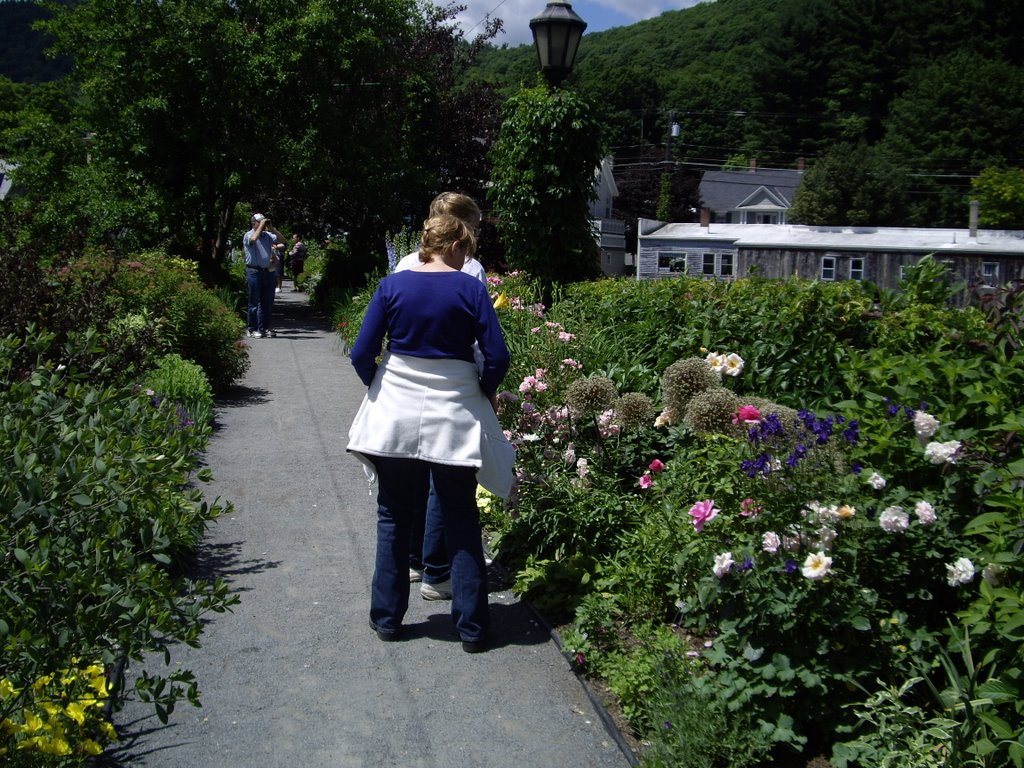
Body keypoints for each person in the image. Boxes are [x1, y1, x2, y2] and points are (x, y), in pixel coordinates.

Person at [347, 214, 514, 653]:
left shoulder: (392, 286)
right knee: (460, 516)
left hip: (395, 413)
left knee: (393, 515)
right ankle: (473, 629)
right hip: (455, 411)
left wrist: (380, 385)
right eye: (468, 250)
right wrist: (482, 390)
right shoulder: (471, 289)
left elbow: (362, 352)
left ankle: (387, 620)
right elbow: (497, 356)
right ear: (457, 245)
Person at [394, 192, 486, 601]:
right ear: (463, 229)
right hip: (454, 385)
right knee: (444, 478)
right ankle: (437, 570)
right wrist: (487, 388)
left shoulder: (402, 265)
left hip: (404, 386)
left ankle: (414, 561)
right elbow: (483, 343)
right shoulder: (470, 269)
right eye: (477, 227)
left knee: (412, 472)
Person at [243, 213, 283, 338]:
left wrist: (272, 229)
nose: (262, 225)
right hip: (254, 272)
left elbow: (282, 240)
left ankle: (264, 328)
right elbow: (253, 240)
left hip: (267, 272)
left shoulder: (267, 236)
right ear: (253, 223)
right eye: (259, 222)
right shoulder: (248, 235)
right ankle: (252, 329)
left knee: (267, 303)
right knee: (254, 302)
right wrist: (261, 226)